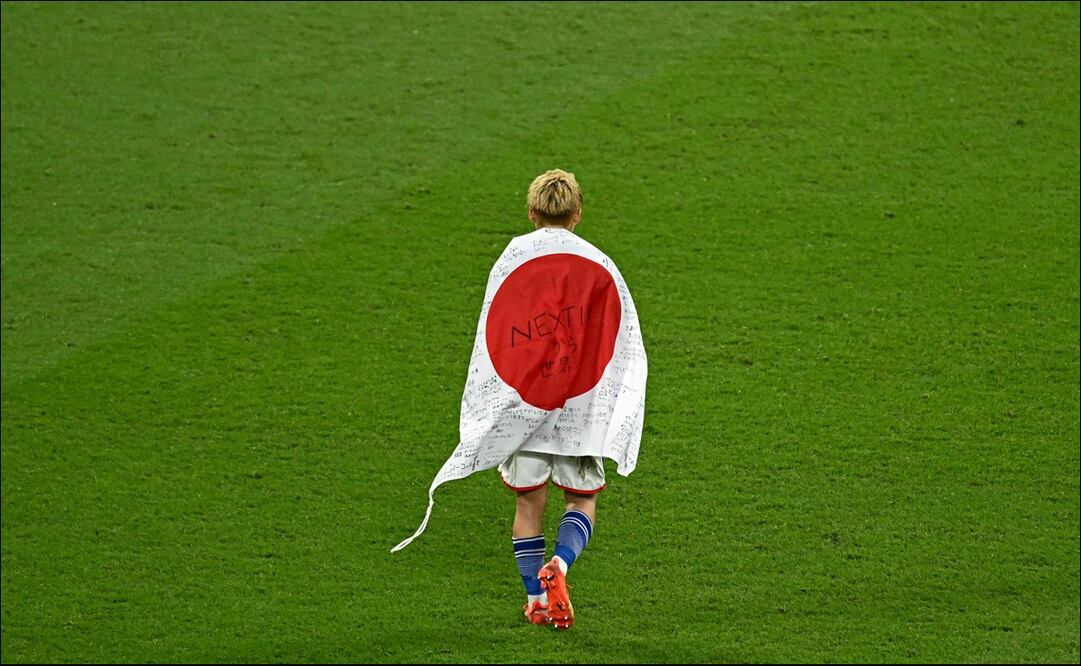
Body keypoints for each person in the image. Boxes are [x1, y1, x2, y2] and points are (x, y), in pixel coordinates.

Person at [502, 170, 606, 631]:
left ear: (531, 213)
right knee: (580, 501)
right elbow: (613, 342)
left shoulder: (512, 257)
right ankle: (559, 566)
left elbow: (497, 336)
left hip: (527, 401)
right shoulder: (598, 264)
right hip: (578, 405)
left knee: (529, 505)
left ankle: (535, 601)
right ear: (577, 214)